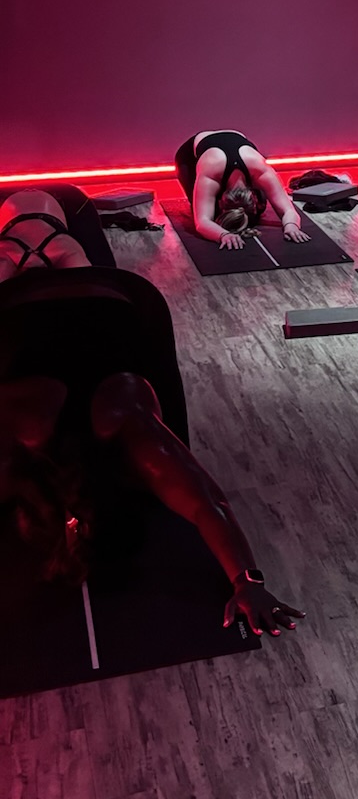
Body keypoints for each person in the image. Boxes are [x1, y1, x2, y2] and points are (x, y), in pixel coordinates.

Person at [0, 265, 302, 635]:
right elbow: (208, 503)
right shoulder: (136, 438)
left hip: (57, 302)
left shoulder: (25, 435)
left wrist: (247, 583)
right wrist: (247, 583)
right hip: (88, 299)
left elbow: (210, 503)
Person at [174, 130, 307, 250]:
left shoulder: (260, 170)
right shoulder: (211, 174)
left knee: (255, 215)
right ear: (221, 201)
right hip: (190, 156)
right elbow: (202, 222)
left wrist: (291, 226)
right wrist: (223, 235)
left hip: (239, 144)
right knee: (210, 215)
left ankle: (242, 214)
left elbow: (288, 210)